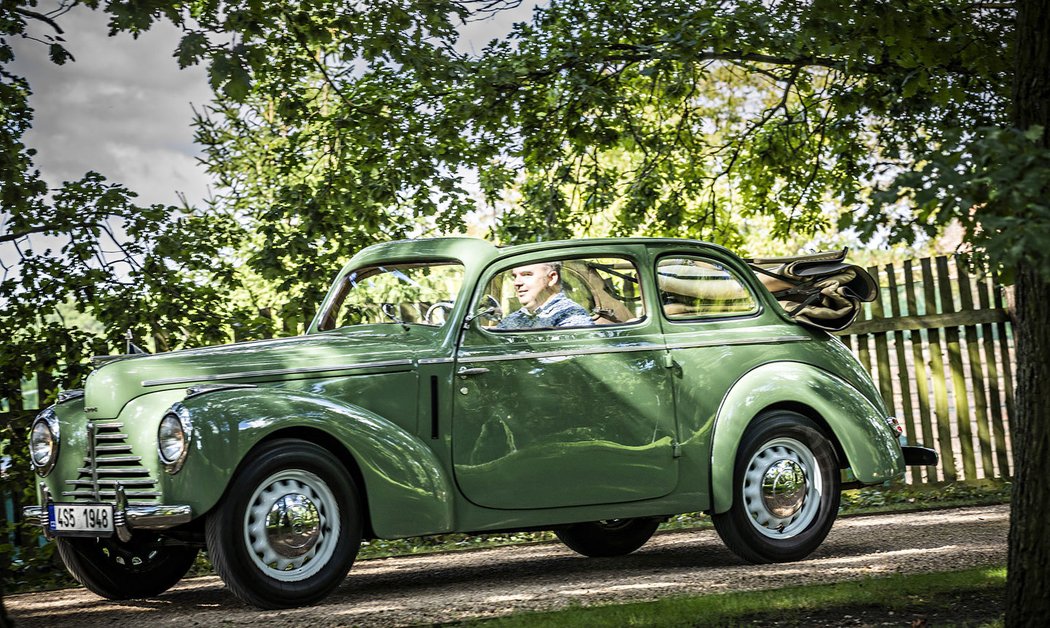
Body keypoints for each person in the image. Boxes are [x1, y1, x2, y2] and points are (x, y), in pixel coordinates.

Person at [497, 261, 593, 330]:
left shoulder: (571, 315)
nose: (517, 283)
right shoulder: (514, 319)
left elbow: (573, 356)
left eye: (527, 274)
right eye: (514, 276)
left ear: (552, 278)